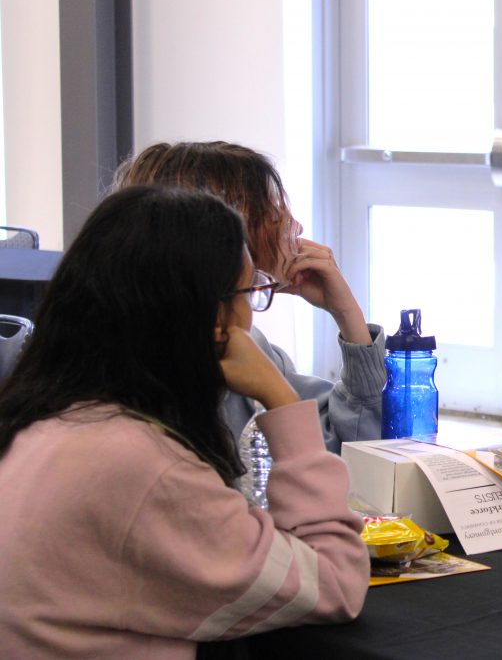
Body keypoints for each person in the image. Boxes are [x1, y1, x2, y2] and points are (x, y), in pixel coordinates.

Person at [0, 186, 370, 657]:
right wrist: (280, 400)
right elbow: (334, 583)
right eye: (250, 290)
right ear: (215, 320)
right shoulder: (141, 464)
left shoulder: (44, 422)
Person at [112, 141, 385, 451]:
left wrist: (347, 315)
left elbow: (355, 450)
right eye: (274, 213)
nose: (294, 225)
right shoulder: (147, 383)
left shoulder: (252, 345)